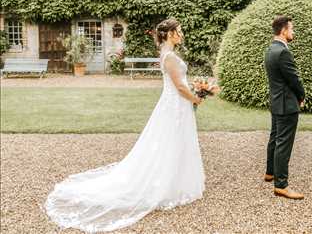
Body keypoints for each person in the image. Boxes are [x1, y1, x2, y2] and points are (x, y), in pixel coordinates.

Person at [44, 18, 205, 232]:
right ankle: (168, 185)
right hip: (175, 106)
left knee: (170, 142)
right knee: (172, 141)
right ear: (168, 34)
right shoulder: (171, 58)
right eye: (179, 30)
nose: (181, 33)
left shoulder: (166, 55)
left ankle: (174, 181)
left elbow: (180, 84)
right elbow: (180, 88)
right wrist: (196, 98)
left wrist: (194, 90)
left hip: (173, 106)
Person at [264, 15, 305, 200]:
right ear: (283, 31)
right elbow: (294, 79)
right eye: (292, 29)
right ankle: (281, 185)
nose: (293, 32)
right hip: (287, 104)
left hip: (275, 101)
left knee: (275, 138)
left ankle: (270, 172)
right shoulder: (283, 52)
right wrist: (301, 96)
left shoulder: (270, 49)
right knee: (283, 143)